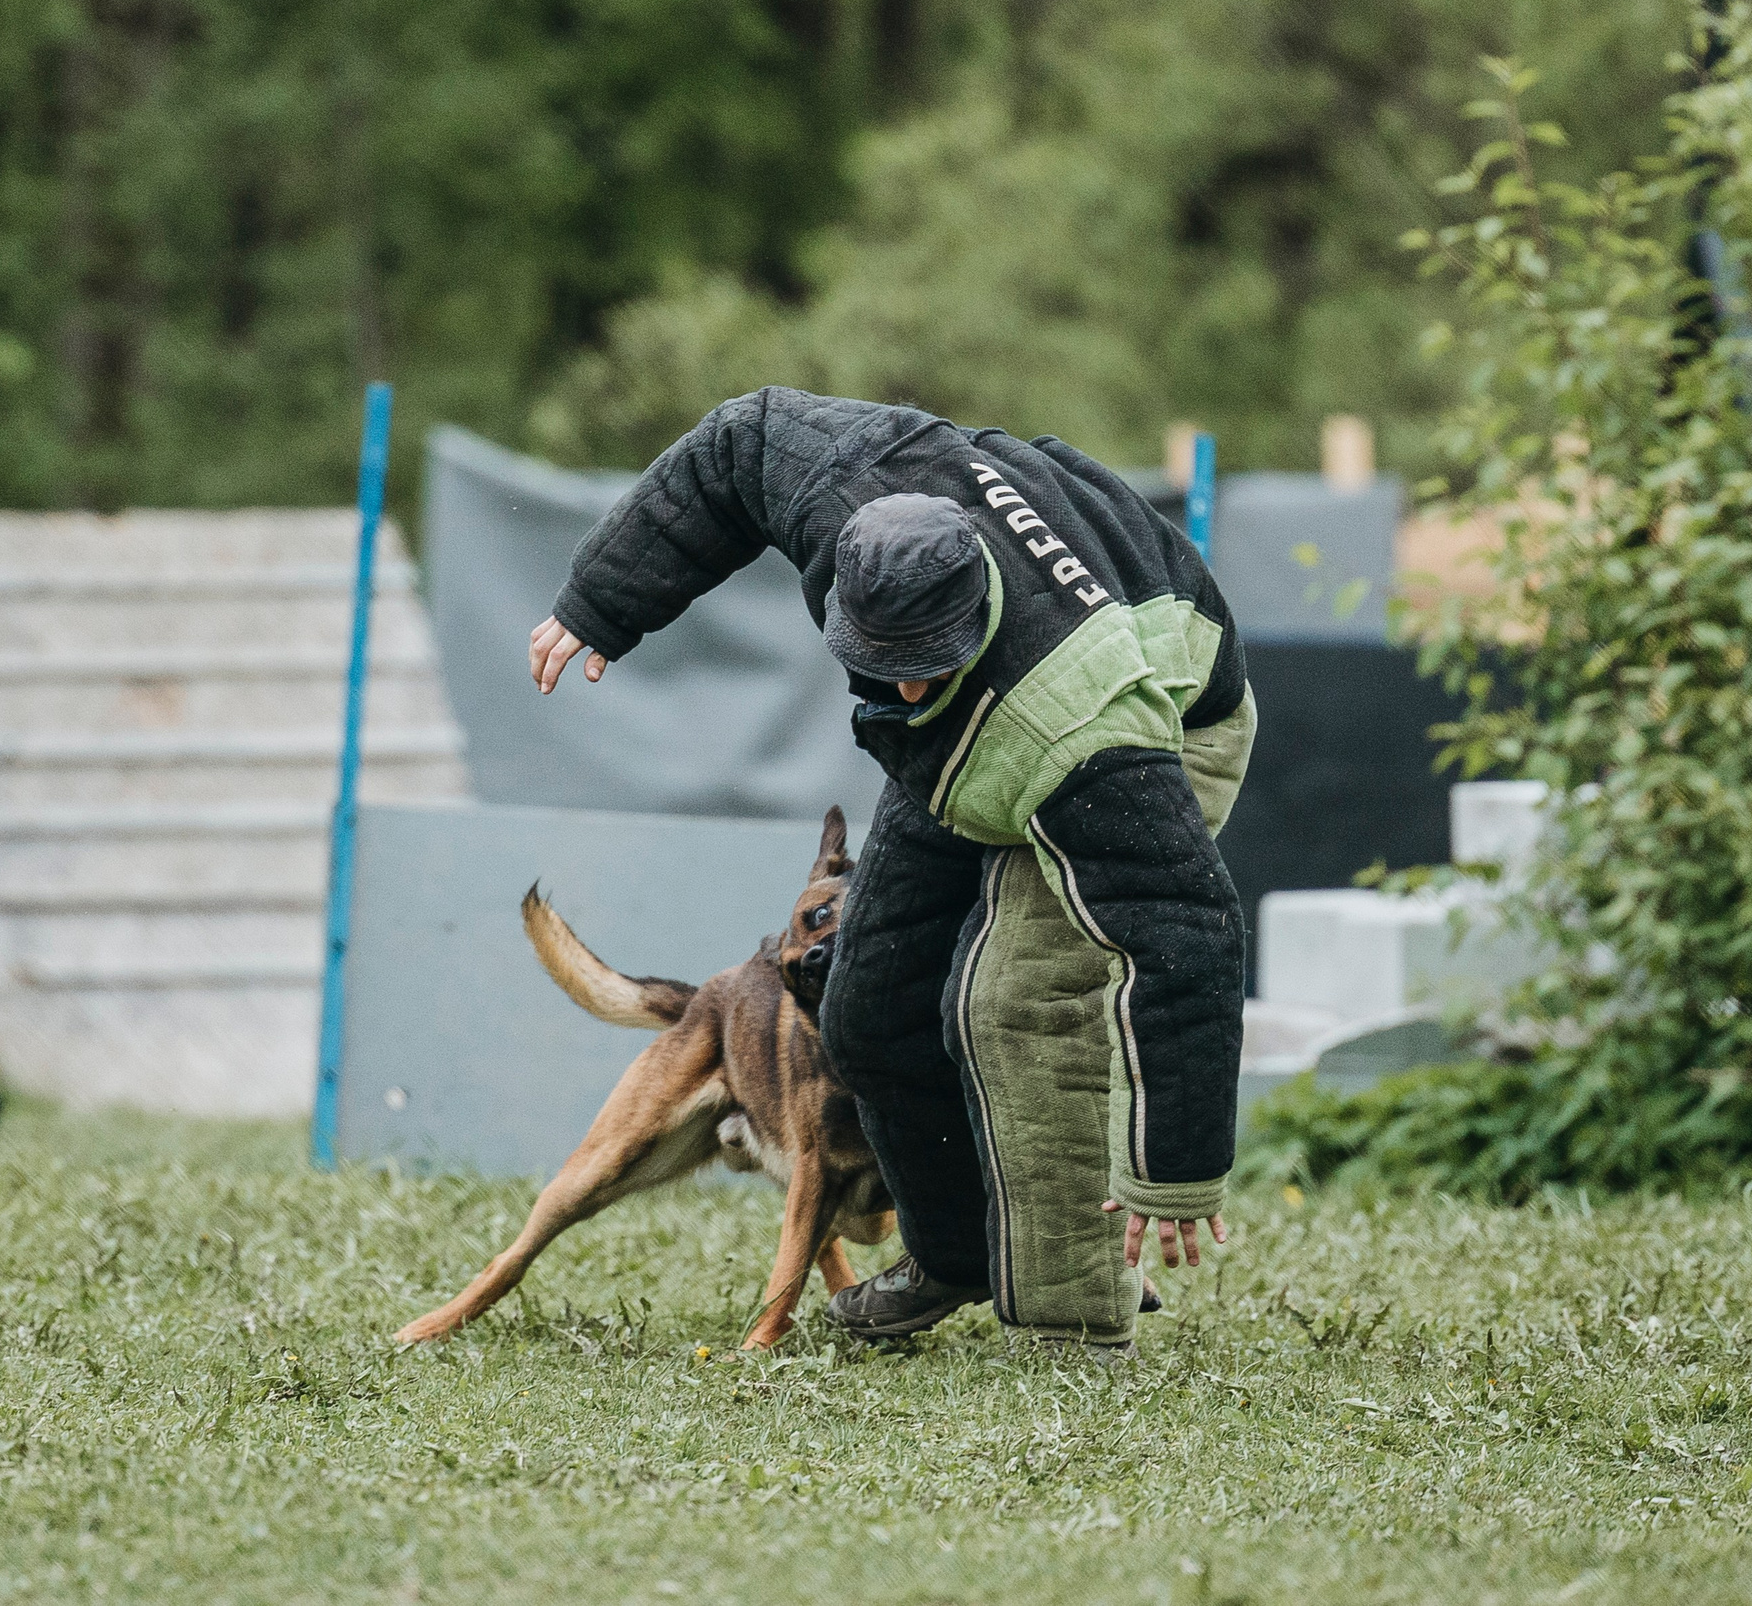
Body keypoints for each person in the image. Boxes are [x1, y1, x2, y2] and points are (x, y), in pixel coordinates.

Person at [529, 388, 1252, 1351]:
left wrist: (1179, 1162)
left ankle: (1072, 1316)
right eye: (883, 661)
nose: (903, 684)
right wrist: (600, 603)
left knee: (1011, 999)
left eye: (927, 664)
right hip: (966, 742)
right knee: (866, 1002)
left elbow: (1187, 921)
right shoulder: (842, 488)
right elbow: (735, 441)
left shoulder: (1087, 734)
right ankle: (952, 1250)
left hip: (1158, 722)